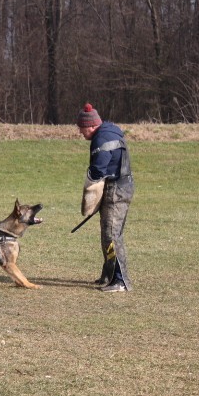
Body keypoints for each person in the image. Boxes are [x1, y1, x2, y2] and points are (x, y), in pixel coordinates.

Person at [76, 103, 134, 292]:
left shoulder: (102, 138)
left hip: (116, 189)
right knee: (109, 234)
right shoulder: (110, 131)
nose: (80, 132)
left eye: (81, 128)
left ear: (90, 126)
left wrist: (89, 181)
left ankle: (120, 281)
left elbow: (99, 167)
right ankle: (108, 276)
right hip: (119, 186)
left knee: (111, 234)